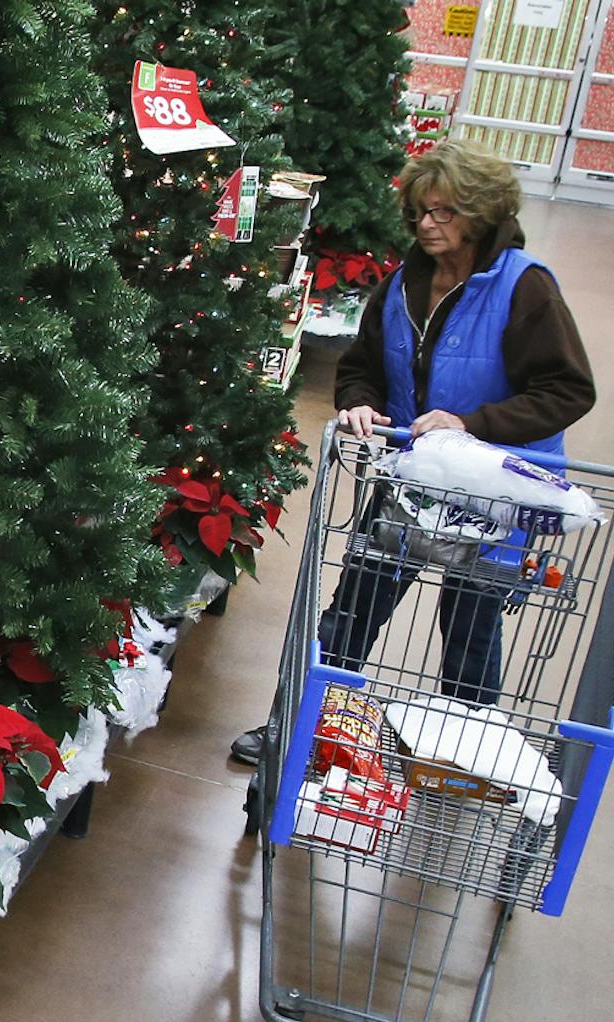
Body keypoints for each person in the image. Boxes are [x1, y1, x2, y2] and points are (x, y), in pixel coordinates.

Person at [229, 138, 595, 766]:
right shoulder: (402, 285)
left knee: (472, 625)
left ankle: (459, 756)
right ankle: (294, 723)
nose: (427, 224)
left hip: (498, 492)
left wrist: (470, 423)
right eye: (421, 212)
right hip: (412, 479)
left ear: (480, 213)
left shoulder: (525, 288)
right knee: (355, 606)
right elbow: (361, 365)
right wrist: (361, 401)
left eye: (444, 212)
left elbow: (569, 389)